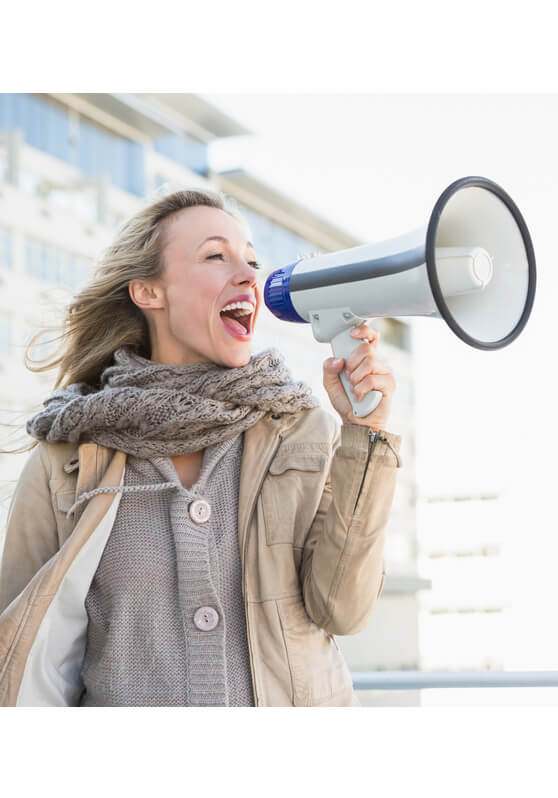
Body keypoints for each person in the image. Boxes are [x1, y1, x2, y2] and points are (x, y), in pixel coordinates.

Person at [0, 187, 401, 707]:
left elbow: (343, 610)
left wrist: (367, 434)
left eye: (252, 261)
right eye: (216, 256)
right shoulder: (67, 459)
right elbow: (19, 649)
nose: (249, 276)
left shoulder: (303, 433)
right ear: (148, 291)